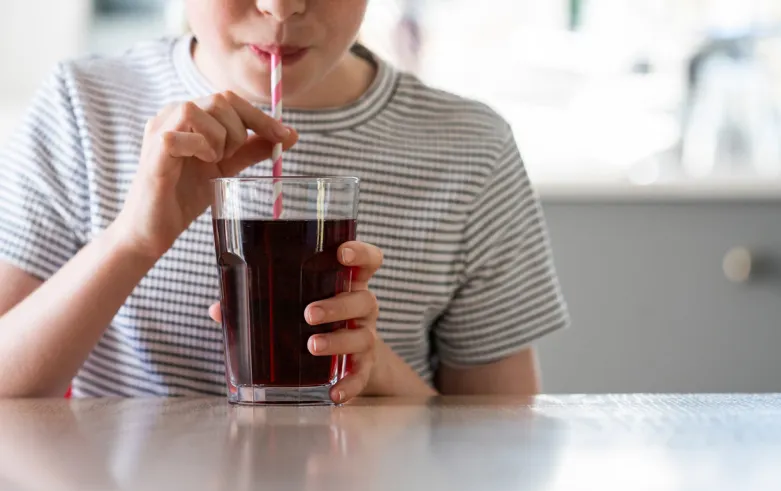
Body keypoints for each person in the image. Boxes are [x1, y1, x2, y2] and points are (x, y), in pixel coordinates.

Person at [0, 0, 568, 401]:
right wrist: (133, 240)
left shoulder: (471, 148)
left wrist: (379, 377)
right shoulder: (83, 107)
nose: (281, 7)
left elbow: (503, 441)